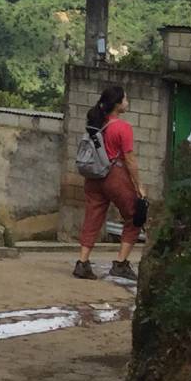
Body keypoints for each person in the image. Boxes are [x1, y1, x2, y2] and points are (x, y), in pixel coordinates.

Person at [75, 85, 145, 281]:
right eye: (125, 99)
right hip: (114, 176)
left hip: (93, 177)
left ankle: (82, 262)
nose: (127, 102)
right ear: (117, 104)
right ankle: (120, 263)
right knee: (135, 217)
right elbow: (129, 159)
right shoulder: (122, 127)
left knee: (92, 217)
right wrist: (138, 185)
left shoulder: (95, 124)